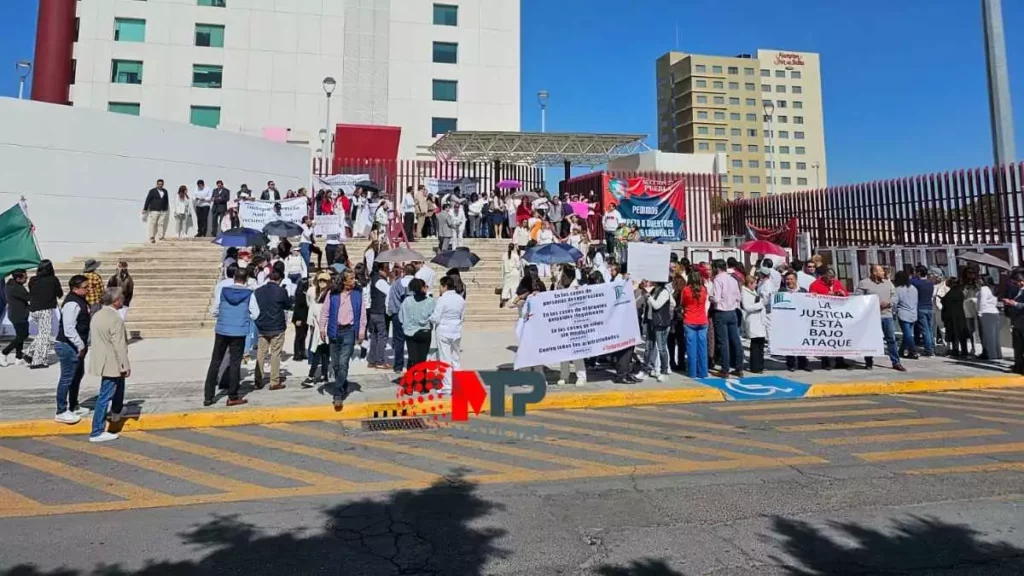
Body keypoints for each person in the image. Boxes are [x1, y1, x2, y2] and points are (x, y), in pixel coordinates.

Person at [204, 267, 259, 407]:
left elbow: (215, 310)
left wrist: (222, 318)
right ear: (246, 280)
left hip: (222, 329)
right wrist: (244, 318)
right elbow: (255, 313)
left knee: (215, 361)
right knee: (235, 363)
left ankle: (208, 396)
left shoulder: (224, 291)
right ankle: (233, 396)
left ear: (234, 278)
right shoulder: (249, 294)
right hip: (239, 332)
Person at [318, 270, 368, 410]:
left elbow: (362, 314)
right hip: (335, 331)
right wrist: (322, 328)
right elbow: (325, 312)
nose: (354, 281)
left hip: (349, 331)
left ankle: (337, 394)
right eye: (351, 278)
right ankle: (343, 383)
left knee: (343, 363)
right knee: (335, 364)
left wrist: (361, 331)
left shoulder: (357, 295)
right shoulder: (332, 294)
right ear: (344, 281)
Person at [87, 288, 131, 443]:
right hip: (112, 360)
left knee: (119, 386)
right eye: (121, 298)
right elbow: (119, 345)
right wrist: (125, 365)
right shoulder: (115, 319)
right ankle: (97, 431)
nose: (123, 300)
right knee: (105, 395)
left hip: (102, 358)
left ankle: (116, 412)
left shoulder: (97, 315)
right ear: (115, 301)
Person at [54, 275, 91, 424]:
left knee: (77, 374)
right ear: (75, 288)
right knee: (67, 378)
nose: (88, 289)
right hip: (68, 345)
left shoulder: (80, 301)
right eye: (85, 287)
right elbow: (69, 328)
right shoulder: (71, 304)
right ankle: (61, 410)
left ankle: (74, 405)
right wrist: (80, 345)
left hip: (76, 345)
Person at [253, 270, 292, 390]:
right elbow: (287, 305)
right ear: (279, 279)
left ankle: (258, 379)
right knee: (275, 354)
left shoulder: (258, 291)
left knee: (261, 353)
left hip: (262, 325)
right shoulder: (281, 291)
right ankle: (274, 381)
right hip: (277, 326)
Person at [809, 266, 852, 370]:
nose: (832, 281)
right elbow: (811, 299)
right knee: (825, 339)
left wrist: (842, 293)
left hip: (836, 315)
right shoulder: (815, 285)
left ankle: (840, 360)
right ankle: (825, 362)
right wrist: (826, 295)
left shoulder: (837, 283)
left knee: (838, 338)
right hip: (823, 316)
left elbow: (846, 294)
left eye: (833, 278)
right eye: (829, 278)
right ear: (824, 277)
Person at [431, 276, 465, 395]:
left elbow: (436, 317)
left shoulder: (442, 300)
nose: (439, 289)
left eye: (440, 286)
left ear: (445, 286)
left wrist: (429, 319)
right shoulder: (460, 299)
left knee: (445, 359)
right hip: (456, 330)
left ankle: (447, 386)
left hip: (444, 330)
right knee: (456, 358)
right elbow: (462, 316)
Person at [710, 259, 743, 378]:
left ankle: (725, 369)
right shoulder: (733, 279)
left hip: (721, 312)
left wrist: (711, 298)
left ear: (716, 268)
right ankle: (739, 368)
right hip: (732, 311)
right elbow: (739, 297)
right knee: (736, 340)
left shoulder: (718, 279)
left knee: (723, 342)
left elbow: (717, 298)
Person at [26, 260, 62, 369]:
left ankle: (29, 352)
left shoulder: (32, 280)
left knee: (42, 333)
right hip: (45, 309)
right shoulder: (53, 280)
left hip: (33, 310)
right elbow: (59, 294)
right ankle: (38, 361)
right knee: (45, 335)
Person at [637, 280, 674, 382]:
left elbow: (657, 305)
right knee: (648, 348)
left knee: (661, 348)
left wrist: (649, 297)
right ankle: (645, 370)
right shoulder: (653, 290)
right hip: (650, 322)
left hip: (660, 324)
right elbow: (646, 305)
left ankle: (664, 371)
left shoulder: (664, 292)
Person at [304, 272, 332, 387]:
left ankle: (311, 376)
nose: (322, 283)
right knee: (324, 352)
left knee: (317, 352)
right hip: (318, 327)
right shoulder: (317, 292)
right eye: (320, 280)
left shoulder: (329, 294)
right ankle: (324, 375)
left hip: (324, 328)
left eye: (324, 281)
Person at [779, 270, 811, 372]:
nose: (789, 281)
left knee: (802, 343)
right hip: (788, 322)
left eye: (791, 279)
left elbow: (809, 304)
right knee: (790, 343)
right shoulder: (781, 291)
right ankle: (791, 364)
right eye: (787, 279)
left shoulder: (803, 291)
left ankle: (803, 363)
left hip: (801, 321)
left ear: (796, 280)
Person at [681, 269, 710, 379]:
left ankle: (692, 372)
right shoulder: (704, 290)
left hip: (689, 320)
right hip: (702, 321)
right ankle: (703, 372)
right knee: (702, 348)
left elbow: (682, 303)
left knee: (691, 348)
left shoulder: (686, 290)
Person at [387, 263, 415, 373]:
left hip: (398, 315)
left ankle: (398, 366)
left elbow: (392, 299)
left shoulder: (396, 284)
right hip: (413, 316)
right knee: (412, 341)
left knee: (399, 341)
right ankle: (411, 365)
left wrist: (392, 312)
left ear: (404, 272)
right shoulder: (418, 283)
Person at [1, 270, 30, 367]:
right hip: (19, 314)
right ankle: (4, 352)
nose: (27, 279)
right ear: (18, 278)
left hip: (16, 313)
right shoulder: (16, 288)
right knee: (23, 335)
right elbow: (28, 297)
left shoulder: (10, 285)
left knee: (20, 335)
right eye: (25, 277)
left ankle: (18, 357)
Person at [366, 263, 392, 369]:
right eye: (386, 268)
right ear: (381, 269)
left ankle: (372, 360)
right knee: (382, 336)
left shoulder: (373, 280)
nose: (388, 270)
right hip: (380, 312)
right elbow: (390, 293)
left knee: (375, 336)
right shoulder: (381, 281)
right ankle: (380, 361)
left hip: (373, 311)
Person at [741, 274, 768, 374]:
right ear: (749, 284)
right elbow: (747, 307)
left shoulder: (753, 291)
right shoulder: (745, 293)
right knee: (755, 345)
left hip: (759, 320)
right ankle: (755, 367)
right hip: (753, 320)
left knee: (761, 344)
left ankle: (760, 365)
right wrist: (760, 304)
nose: (756, 285)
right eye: (754, 283)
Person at [893, 270, 919, 360]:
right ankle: (901, 350)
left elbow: (894, 302)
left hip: (903, 313)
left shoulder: (898, 290)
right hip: (913, 313)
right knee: (907, 333)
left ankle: (913, 350)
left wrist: (893, 312)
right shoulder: (913, 288)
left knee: (907, 334)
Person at [1002, 272, 1024, 373]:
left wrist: (1014, 303)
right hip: (1016, 321)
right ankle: (1018, 366)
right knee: (1017, 346)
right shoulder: (1017, 291)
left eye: (1018, 282)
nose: (1018, 284)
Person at [911, 265, 936, 356]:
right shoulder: (930, 283)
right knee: (929, 329)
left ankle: (929, 349)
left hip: (920, 307)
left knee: (924, 330)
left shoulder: (916, 283)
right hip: (929, 307)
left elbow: (910, 282)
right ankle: (932, 346)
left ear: (918, 273)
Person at [942, 277, 970, 358]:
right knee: (961, 334)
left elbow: (945, 304)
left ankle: (955, 350)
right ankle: (964, 351)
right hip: (960, 315)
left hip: (952, 316)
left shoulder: (950, 294)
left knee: (954, 334)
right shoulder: (960, 292)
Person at [976, 275, 1002, 360]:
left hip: (986, 312)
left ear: (984, 280)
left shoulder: (984, 289)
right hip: (994, 312)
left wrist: (979, 313)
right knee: (995, 336)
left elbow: (982, 302)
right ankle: (997, 354)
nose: (978, 280)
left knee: (986, 335)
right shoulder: (993, 288)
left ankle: (989, 354)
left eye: (980, 279)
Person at [142, 178, 170, 243]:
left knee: (161, 224)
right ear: (156, 184)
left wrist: (166, 208)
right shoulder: (152, 191)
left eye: (161, 184)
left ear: (163, 184)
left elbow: (166, 200)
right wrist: (145, 208)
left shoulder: (165, 191)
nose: (160, 185)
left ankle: (161, 237)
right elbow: (148, 200)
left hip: (163, 211)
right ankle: (152, 237)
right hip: (154, 210)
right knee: (153, 223)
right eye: (159, 184)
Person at [500, 244, 523, 308]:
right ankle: (513, 300)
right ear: (513, 248)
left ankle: (503, 297)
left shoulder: (504, 255)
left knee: (506, 286)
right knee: (514, 287)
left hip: (507, 272)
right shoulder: (515, 255)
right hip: (514, 272)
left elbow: (502, 266)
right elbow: (518, 265)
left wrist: (502, 274)